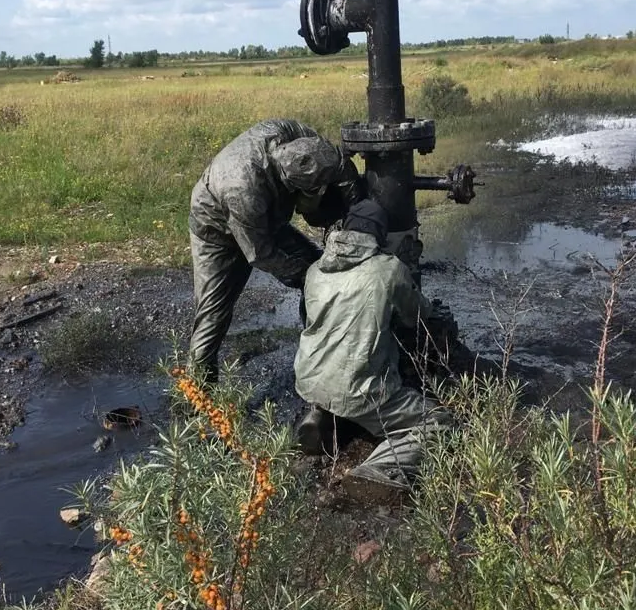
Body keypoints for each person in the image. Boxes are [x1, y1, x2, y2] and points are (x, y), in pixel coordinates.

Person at [293, 198, 453, 499]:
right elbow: (414, 316)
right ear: (378, 237)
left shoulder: (315, 270)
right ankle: (379, 468)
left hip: (309, 380)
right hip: (362, 391)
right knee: (438, 421)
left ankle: (320, 418)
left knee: (336, 381)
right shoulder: (388, 270)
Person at [187, 119, 362, 384]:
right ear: (301, 189)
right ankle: (198, 396)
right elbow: (260, 254)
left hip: (266, 217)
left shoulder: (293, 135)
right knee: (213, 313)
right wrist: (307, 275)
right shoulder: (243, 191)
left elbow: (339, 167)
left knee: (316, 265)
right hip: (215, 230)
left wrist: (355, 211)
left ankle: (322, 355)